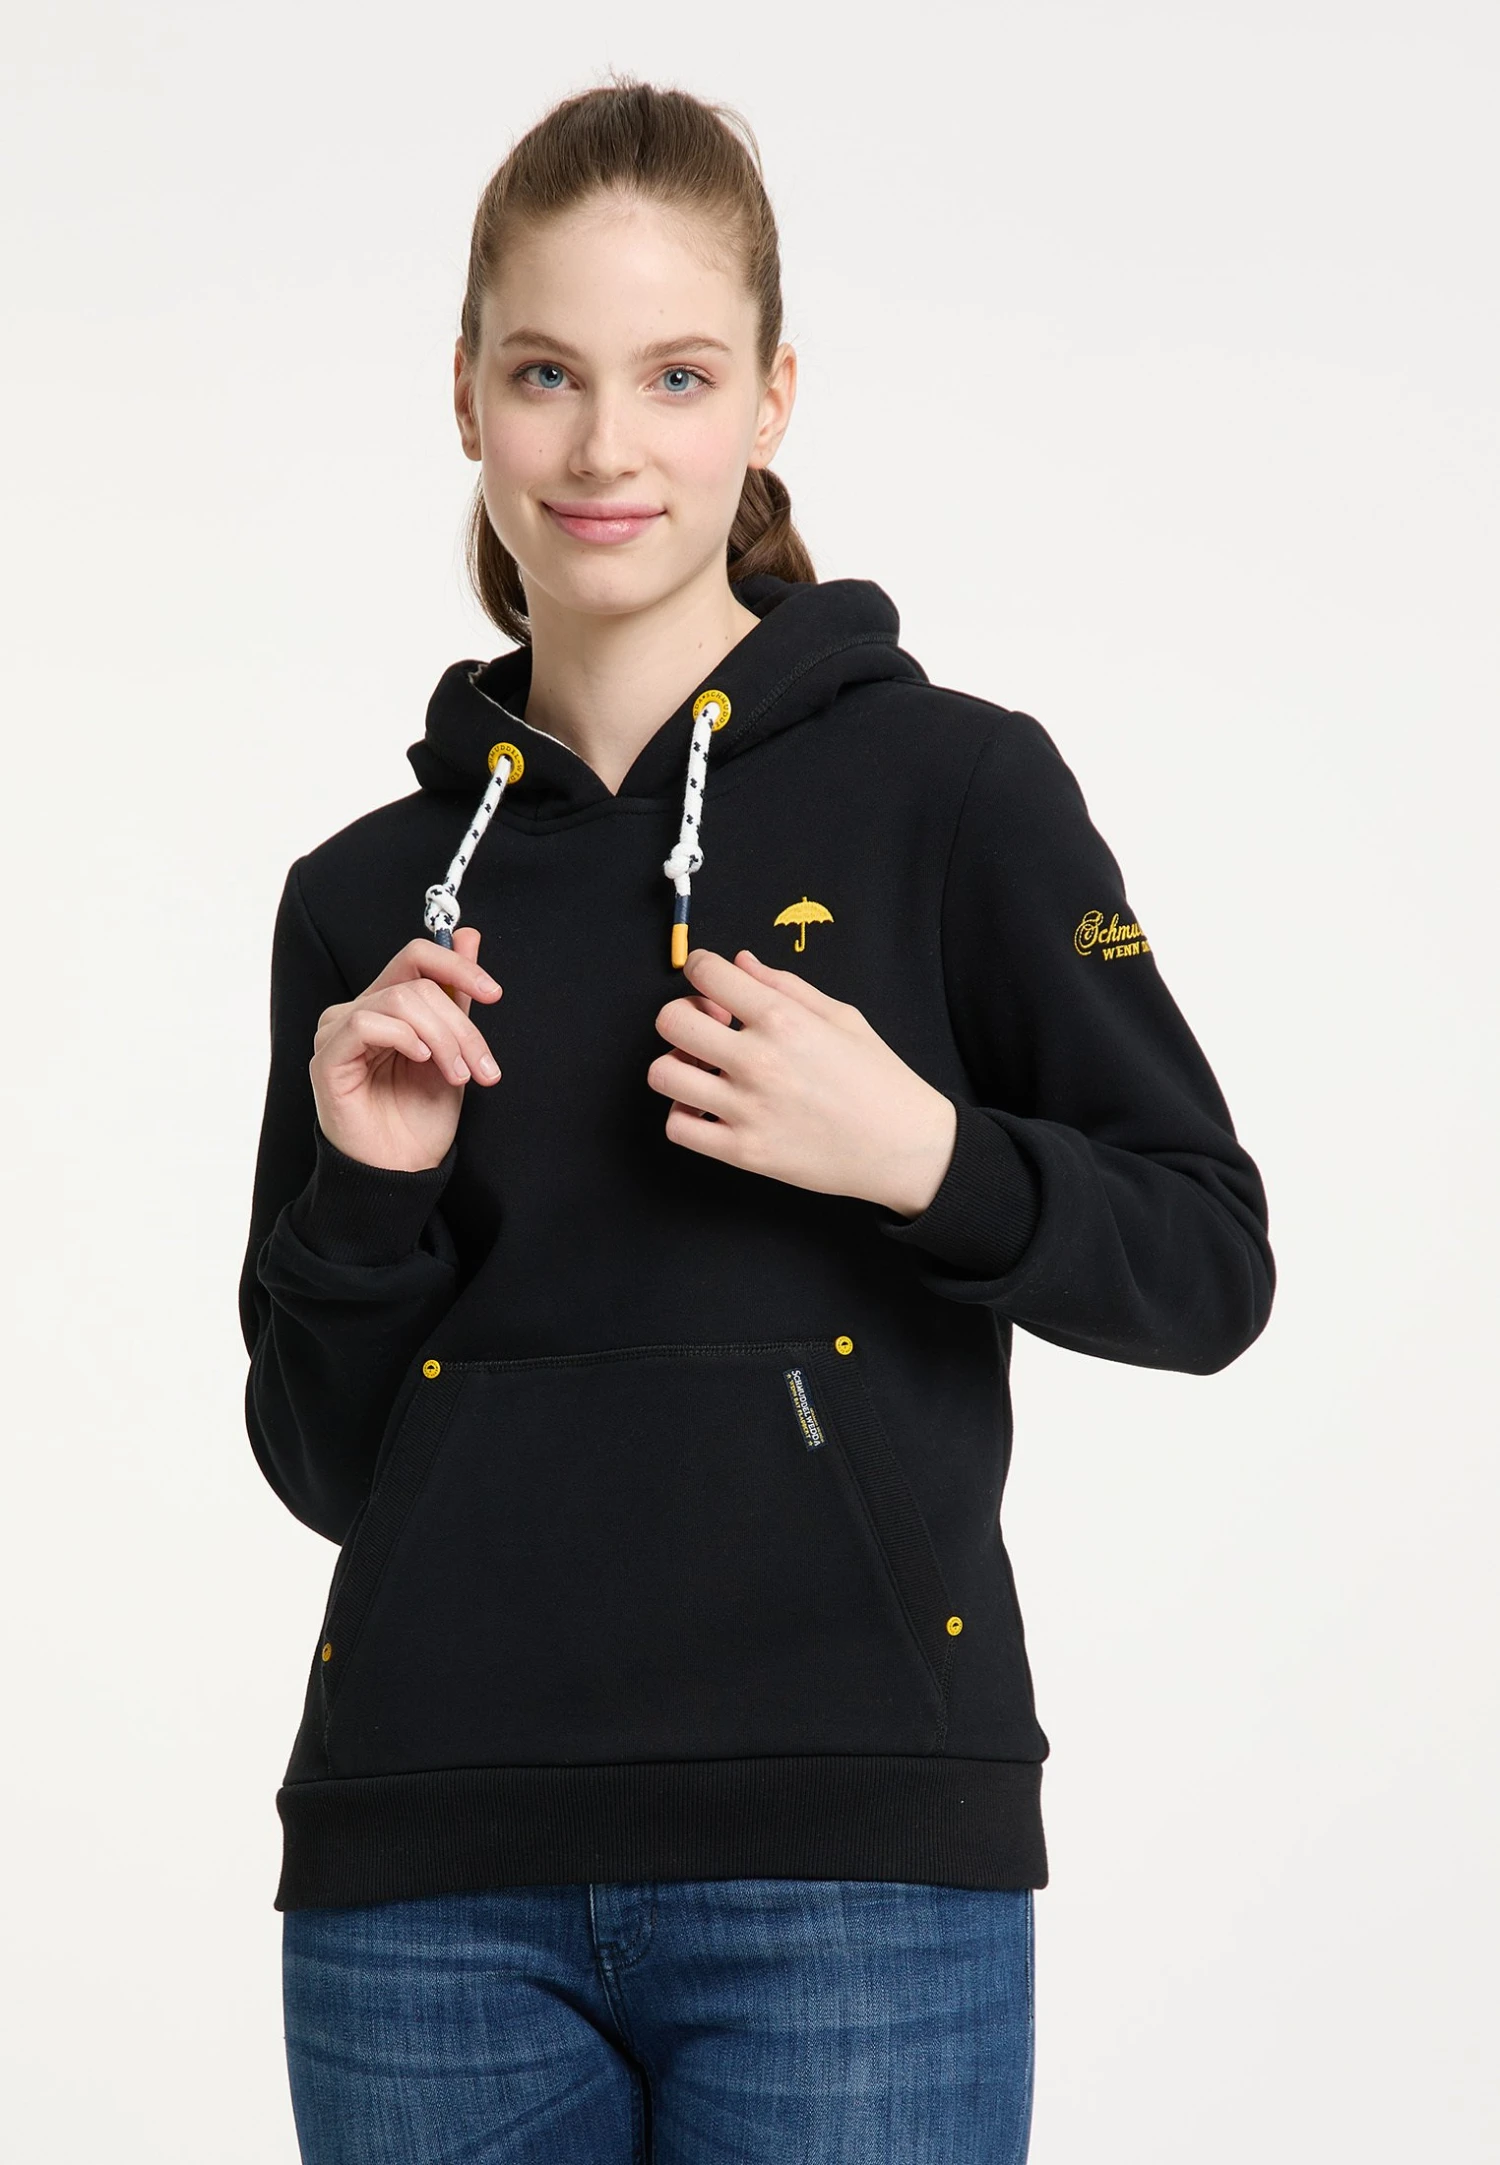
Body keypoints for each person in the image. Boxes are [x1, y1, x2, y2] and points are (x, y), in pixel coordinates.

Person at [238, 75, 1274, 2165]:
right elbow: (331, 1462)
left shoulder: (957, 793)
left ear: (772, 398)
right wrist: (369, 1195)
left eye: (678, 375)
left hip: (855, 1867)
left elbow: (1207, 1263)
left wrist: (922, 1154)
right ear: (466, 396)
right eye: (547, 373)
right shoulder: (364, 899)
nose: (606, 448)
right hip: (424, 1876)